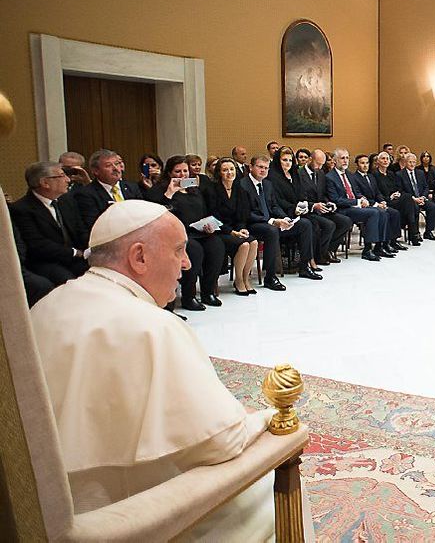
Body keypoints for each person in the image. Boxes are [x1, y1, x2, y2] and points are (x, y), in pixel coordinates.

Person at [30, 200, 282, 539]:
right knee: (268, 493)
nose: (187, 262)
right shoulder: (152, 326)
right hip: (120, 515)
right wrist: (265, 417)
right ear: (139, 257)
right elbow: (222, 442)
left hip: (45, 503)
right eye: (178, 250)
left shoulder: (47, 304)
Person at [145, 155, 226, 310]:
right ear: (169, 173)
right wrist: (169, 193)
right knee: (194, 251)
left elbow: (202, 209)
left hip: (198, 230)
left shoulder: (193, 188)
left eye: (185, 171)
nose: (182, 175)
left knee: (216, 246)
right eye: (178, 171)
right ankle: (189, 297)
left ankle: (208, 292)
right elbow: (157, 211)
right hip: (176, 234)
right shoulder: (160, 190)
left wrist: (207, 224)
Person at [239, 154, 320, 290]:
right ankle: (270, 277)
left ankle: (304, 266)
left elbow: (274, 206)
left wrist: (285, 218)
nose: (263, 170)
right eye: (260, 167)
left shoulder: (268, 184)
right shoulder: (242, 185)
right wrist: (272, 221)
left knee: (305, 224)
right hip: (252, 224)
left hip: (272, 222)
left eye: (266, 168)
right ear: (251, 167)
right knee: (271, 231)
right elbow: (246, 213)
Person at [10, 161, 89, 285]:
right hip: (45, 262)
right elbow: (37, 245)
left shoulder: (66, 201)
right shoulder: (22, 209)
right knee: (70, 283)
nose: (68, 180)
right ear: (45, 183)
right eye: (62, 175)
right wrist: (74, 252)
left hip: (74, 258)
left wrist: (93, 248)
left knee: (102, 275)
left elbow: (80, 230)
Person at [205, 157, 259, 295]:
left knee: (253, 242)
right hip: (220, 231)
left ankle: (246, 278)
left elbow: (242, 214)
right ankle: (239, 280)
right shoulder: (213, 190)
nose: (229, 173)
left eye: (231, 169)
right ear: (219, 173)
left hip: (236, 229)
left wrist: (241, 228)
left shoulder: (239, 190)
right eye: (225, 170)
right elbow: (213, 217)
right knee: (244, 245)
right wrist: (232, 232)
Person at [325, 149, 390, 261]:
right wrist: (357, 202)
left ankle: (379, 246)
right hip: (343, 209)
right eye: (342, 158)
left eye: (347, 158)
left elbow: (356, 192)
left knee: (382, 212)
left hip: (355, 206)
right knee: (373, 213)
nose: (345, 161)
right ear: (335, 160)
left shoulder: (349, 175)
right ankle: (367, 250)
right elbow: (336, 200)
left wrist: (362, 199)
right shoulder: (330, 177)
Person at [298, 149, 354, 261]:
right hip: (308, 211)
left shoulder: (321, 173)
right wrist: (314, 205)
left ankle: (329, 250)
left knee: (346, 221)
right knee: (329, 225)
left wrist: (329, 202)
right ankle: (320, 255)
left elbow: (323, 193)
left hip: (322, 208)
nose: (319, 167)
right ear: (310, 159)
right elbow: (298, 198)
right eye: (317, 164)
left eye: (321, 164)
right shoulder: (299, 174)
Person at [73, 148, 143, 232]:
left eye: (116, 164)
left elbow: (142, 213)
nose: (115, 169)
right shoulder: (86, 194)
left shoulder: (132, 187)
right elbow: (95, 225)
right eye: (108, 165)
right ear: (96, 171)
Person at [351, 153, 406, 253]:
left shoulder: (370, 177)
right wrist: (376, 204)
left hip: (376, 203)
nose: (365, 165)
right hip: (365, 205)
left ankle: (387, 243)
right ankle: (378, 245)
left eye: (367, 163)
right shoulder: (354, 178)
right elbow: (359, 195)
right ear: (357, 165)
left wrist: (382, 201)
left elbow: (377, 192)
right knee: (383, 213)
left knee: (394, 213)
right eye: (362, 163)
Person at [374, 151, 420, 244]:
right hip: (385, 201)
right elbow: (376, 192)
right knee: (408, 199)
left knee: (408, 202)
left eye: (387, 159)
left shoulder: (391, 174)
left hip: (395, 199)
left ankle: (408, 234)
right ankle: (413, 233)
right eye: (383, 158)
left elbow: (397, 188)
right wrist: (389, 197)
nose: (385, 161)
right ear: (378, 161)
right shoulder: (374, 175)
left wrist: (397, 193)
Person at [398, 152, 435, 241]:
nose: (412, 164)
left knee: (433, 207)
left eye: (414, 162)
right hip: (410, 200)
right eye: (410, 162)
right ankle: (415, 233)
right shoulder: (400, 174)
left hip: (421, 198)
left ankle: (428, 232)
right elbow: (401, 191)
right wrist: (413, 199)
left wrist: (423, 197)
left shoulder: (420, 173)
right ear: (405, 162)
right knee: (414, 208)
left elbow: (426, 187)